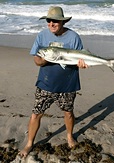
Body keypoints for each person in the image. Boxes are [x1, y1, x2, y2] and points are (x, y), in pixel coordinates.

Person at [19, 6, 88, 158]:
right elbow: (36, 58)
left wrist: (81, 64)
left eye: (55, 21)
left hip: (68, 84)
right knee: (36, 114)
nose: (51, 24)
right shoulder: (42, 35)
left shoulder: (74, 37)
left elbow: (81, 58)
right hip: (45, 83)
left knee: (68, 113)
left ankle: (69, 136)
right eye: (49, 20)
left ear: (62, 22)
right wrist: (42, 61)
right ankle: (30, 143)